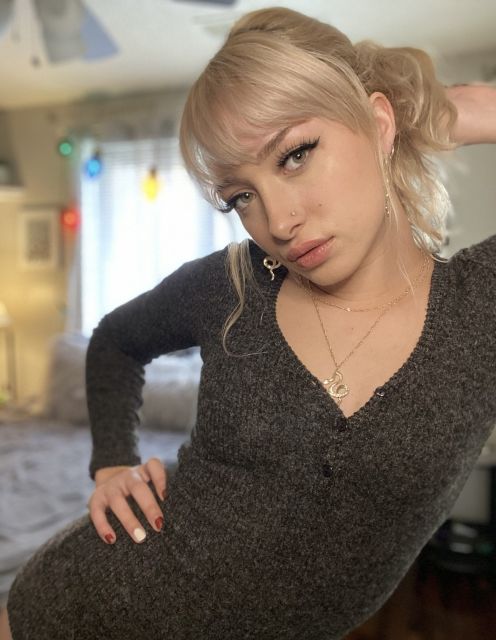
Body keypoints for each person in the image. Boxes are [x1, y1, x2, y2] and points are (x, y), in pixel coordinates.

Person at [2, 6, 496, 640]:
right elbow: (116, 342)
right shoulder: (232, 284)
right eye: (241, 195)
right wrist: (112, 464)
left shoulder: (480, 306)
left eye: (295, 155)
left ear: (378, 124)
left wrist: (455, 110)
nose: (278, 221)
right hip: (67, 610)